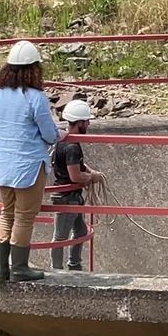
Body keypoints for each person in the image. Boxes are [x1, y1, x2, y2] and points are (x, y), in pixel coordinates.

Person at [0, 40, 67, 282]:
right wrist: (60, 134)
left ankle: (2, 269)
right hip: (29, 167)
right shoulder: (35, 97)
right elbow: (50, 134)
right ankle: (19, 268)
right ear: (34, 68)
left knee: (6, 214)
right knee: (23, 217)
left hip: (2, 166)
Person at [50, 99, 103, 271]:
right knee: (61, 237)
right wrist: (91, 177)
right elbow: (75, 175)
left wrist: (89, 171)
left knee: (80, 232)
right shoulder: (72, 146)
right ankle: (57, 270)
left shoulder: (64, 141)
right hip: (68, 198)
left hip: (70, 197)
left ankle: (74, 266)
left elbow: (75, 166)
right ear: (79, 122)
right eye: (86, 121)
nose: (88, 124)